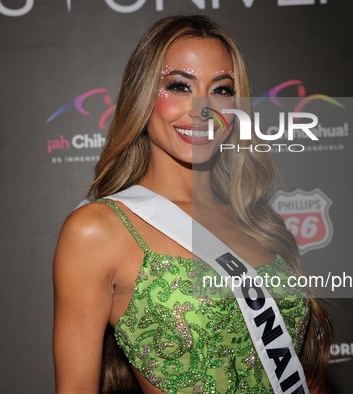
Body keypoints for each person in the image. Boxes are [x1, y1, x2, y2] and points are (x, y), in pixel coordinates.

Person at [53, 15, 332, 394]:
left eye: (220, 90)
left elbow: (307, 374)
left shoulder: (257, 221)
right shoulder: (98, 231)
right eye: (180, 86)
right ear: (142, 94)